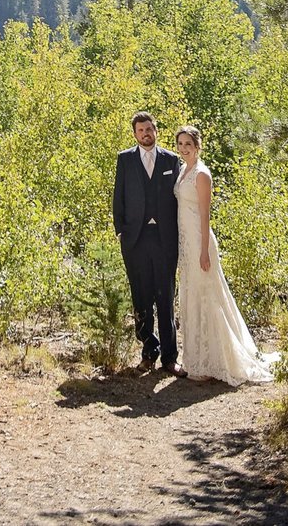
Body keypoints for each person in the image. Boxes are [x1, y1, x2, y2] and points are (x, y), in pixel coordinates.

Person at [172, 124, 273, 385]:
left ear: (197, 146)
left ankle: (213, 360)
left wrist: (204, 250)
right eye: (180, 144)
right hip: (185, 242)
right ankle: (197, 358)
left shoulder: (202, 174)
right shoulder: (184, 170)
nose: (184, 149)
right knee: (191, 295)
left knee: (207, 296)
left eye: (188, 144)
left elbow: (205, 216)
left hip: (200, 241)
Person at [112, 110, 183, 374]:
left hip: (165, 240)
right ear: (135, 134)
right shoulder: (125, 160)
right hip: (136, 241)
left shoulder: (171, 159)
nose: (145, 134)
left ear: (156, 130)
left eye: (149, 129)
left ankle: (170, 358)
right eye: (140, 130)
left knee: (165, 298)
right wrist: (121, 230)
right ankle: (148, 352)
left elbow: (179, 199)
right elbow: (118, 198)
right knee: (140, 298)